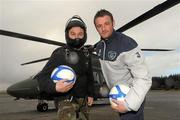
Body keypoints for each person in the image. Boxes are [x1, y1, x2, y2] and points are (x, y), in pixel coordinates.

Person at [93, 9, 152, 120]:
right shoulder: (99, 47)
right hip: (118, 96)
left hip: (131, 96)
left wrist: (129, 104)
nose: (103, 28)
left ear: (113, 23)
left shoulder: (127, 44)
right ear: (96, 28)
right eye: (99, 26)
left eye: (107, 23)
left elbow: (144, 78)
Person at [36, 15, 94, 120]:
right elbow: (42, 77)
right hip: (65, 101)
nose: (77, 37)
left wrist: (90, 94)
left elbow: (89, 76)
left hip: (83, 101)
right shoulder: (60, 54)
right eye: (73, 34)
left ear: (84, 35)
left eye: (80, 34)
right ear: (67, 35)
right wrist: (55, 87)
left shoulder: (86, 54)